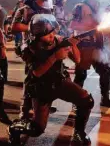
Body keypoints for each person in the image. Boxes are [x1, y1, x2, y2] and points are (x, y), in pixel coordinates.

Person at [8, 14, 94, 145]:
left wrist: (73, 45)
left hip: (60, 81)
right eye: (47, 34)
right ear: (36, 35)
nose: (52, 35)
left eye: (52, 31)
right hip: (41, 88)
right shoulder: (28, 48)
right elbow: (37, 72)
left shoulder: (59, 40)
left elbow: (77, 60)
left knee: (86, 100)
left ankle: (79, 133)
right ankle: (15, 128)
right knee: (37, 129)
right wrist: (55, 56)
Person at [70, 0, 110, 107]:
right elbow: (73, 25)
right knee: (81, 75)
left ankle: (105, 99)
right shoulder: (80, 7)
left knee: (106, 71)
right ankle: (76, 102)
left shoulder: (99, 6)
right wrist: (92, 27)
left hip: (97, 45)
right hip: (84, 45)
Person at [11, 0, 54, 119]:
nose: (46, 2)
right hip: (30, 47)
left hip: (45, 47)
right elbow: (14, 27)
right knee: (31, 78)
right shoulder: (24, 10)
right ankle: (24, 110)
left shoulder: (46, 10)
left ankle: (42, 103)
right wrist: (33, 27)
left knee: (45, 77)